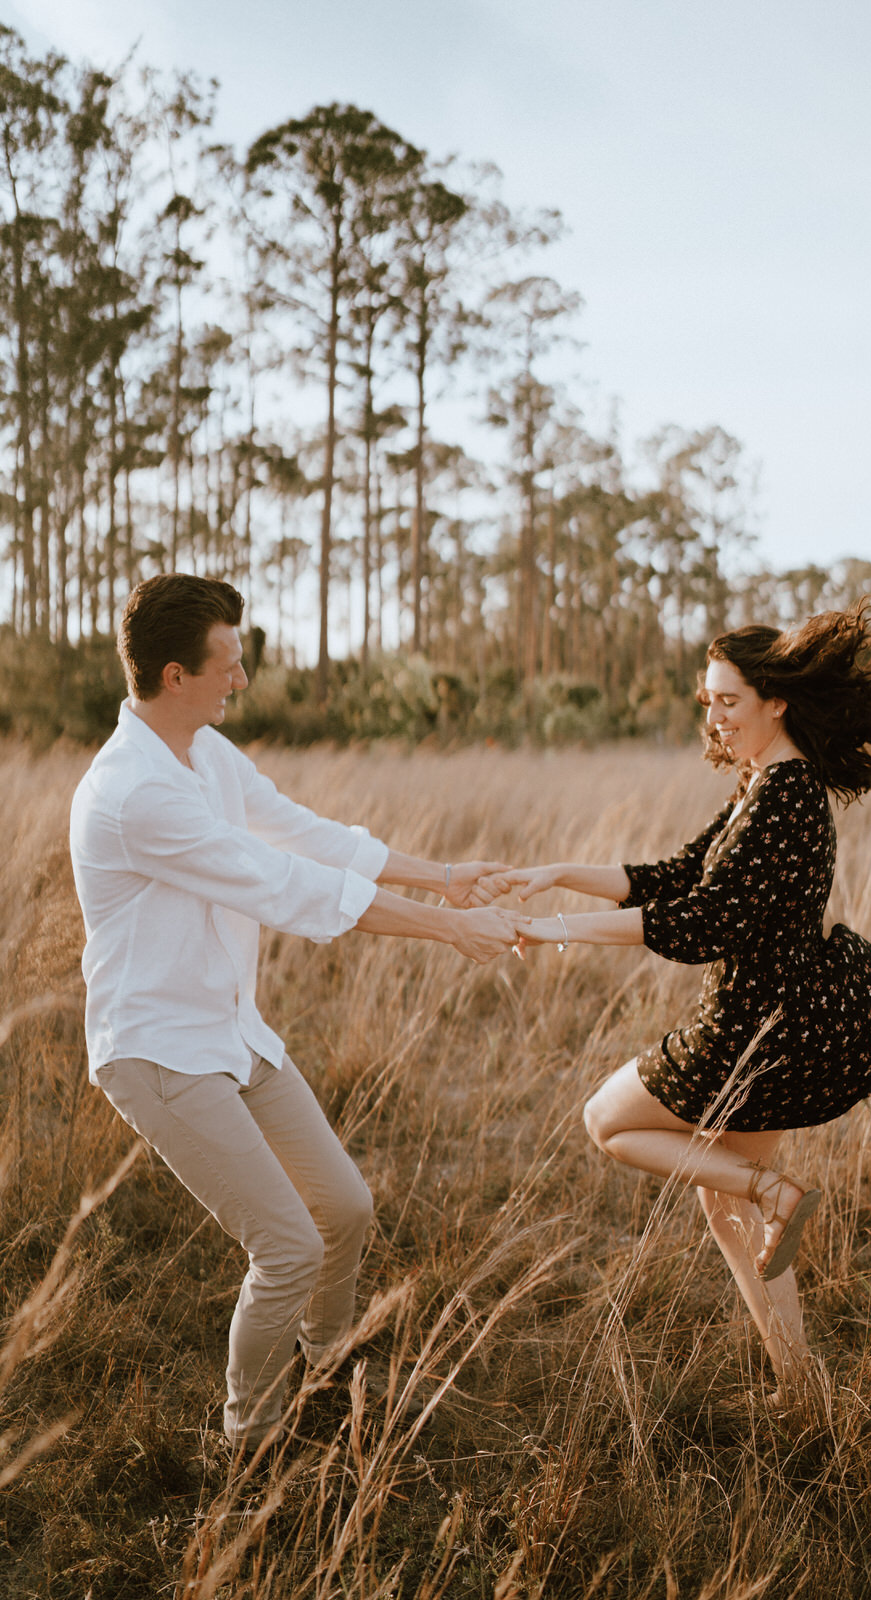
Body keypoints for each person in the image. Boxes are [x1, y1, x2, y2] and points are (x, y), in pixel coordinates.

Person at [69, 574, 522, 1452]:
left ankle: (328, 1367)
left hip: (232, 1032)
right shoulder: (134, 793)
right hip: (161, 1052)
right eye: (230, 664)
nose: (242, 678)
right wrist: (446, 928)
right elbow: (279, 883)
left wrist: (443, 876)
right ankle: (251, 1442)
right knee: (287, 1250)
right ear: (175, 675)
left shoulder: (204, 754)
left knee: (344, 1211)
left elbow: (302, 832)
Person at [508, 604, 871, 1402]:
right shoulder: (764, 782)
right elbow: (676, 875)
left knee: (607, 1121)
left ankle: (776, 1194)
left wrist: (555, 927)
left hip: (749, 1029)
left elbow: (704, 923)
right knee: (721, 1200)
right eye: (706, 701)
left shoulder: (785, 794)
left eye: (728, 701)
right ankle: (799, 1388)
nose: (713, 717)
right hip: (779, 1022)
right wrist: (557, 872)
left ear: (775, 700)